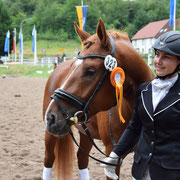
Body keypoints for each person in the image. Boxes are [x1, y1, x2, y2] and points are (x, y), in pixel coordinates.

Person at [101, 31, 180, 180]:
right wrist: (116, 154)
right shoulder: (144, 90)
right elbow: (134, 127)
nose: (158, 61)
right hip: (140, 171)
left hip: (171, 173)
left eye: (166, 57)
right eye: (157, 55)